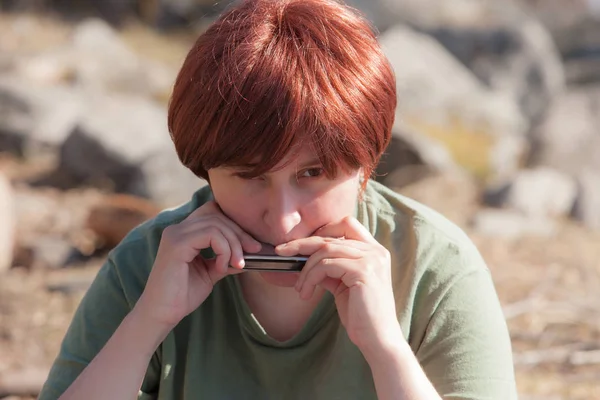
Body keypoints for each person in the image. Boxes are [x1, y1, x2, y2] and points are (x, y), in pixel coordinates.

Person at [38, 0, 517, 398]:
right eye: (249, 176)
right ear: (205, 166)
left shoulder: (436, 270)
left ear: (365, 165)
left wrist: (386, 349)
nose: (284, 219)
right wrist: (148, 323)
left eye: (313, 173)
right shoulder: (147, 266)